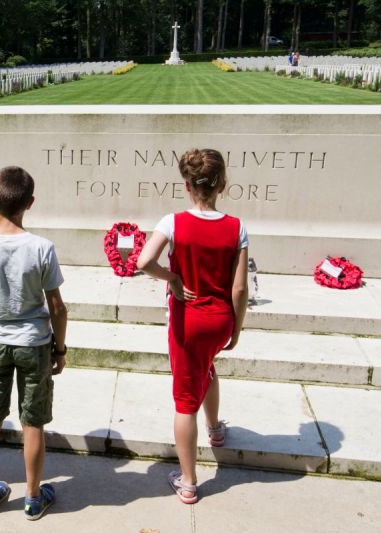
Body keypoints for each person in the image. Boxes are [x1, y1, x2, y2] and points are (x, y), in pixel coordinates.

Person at [137, 148, 248, 505]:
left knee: (185, 400)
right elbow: (240, 287)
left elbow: (143, 261)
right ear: (222, 184)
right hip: (220, 321)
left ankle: (187, 481)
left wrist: (171, 277)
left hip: (189, 321)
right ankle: (215, 431)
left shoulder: (173, 222)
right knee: (208, 369)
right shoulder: (237, 227)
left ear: (186, 185)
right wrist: (237, 328)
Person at [0, 166, 68, 520]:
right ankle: (33, 497)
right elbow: (57, 307)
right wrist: (60, 347)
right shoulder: (42, 248)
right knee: (33, 422)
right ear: (30, 202)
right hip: (34, 343)